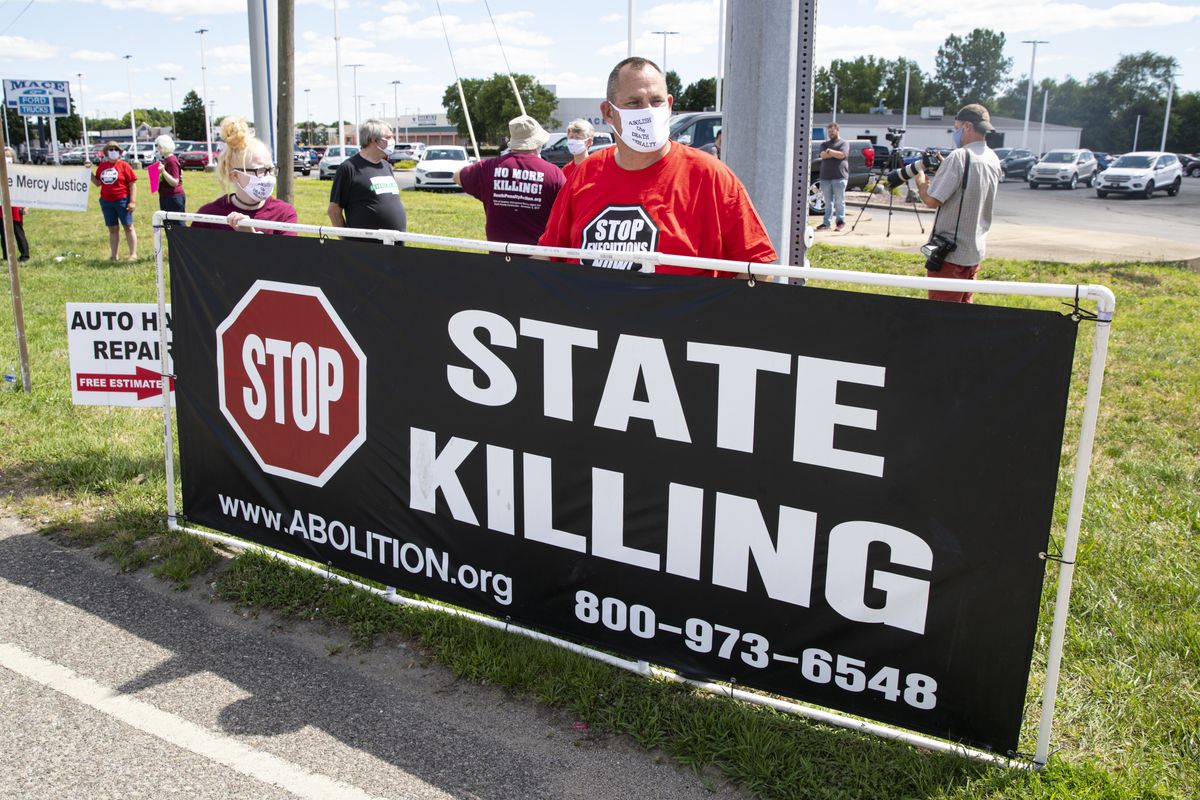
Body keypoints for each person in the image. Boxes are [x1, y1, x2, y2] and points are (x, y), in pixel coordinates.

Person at [538, 57, 776, 277]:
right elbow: (548, 256)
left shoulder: (710, 176)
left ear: (669, 104)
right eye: (634, 103)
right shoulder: (585, 175)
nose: (647, 111)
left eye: (656, 101)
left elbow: (758, 268)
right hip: (594, 319)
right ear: (609, 112)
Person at [914, 104, 1001, 303]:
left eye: (956, 128)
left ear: (968, 126)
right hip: (974, 252)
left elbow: (932, 200)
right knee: (963, 316)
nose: (956, 133)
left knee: (942, 318)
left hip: (949, 255)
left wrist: (920, 184)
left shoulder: (960, 157)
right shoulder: (992, 158)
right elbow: (969, 188)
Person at [455, 115, 565, 247]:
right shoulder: (553, 173)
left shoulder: (488, 168)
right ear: (537, 143)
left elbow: (457, 176)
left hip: (499, 257)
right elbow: (566, 211)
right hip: (538, 257)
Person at [194, 117, 297, 235]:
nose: (268, 177)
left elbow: (287, 253)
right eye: (260, 171)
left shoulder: (284, 213)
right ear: (234, 175)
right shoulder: (208, 216)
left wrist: (250, 237)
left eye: (271, 169)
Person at [327, 119, 407, 241]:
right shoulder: (349, 168)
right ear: (374, 140)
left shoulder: (386, 166)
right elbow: (334, 211)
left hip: (394, 245)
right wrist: (347, 242)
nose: (393, 141)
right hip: (365, 250)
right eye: (388, 137)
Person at [91, 142, 139, 260]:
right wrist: (89, 172)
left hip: (122, 200)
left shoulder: (124, 165)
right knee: (112, 229)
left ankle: (133, 254)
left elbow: (132, 184)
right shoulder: (102, 166)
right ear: (106, 152)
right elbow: (97, 183)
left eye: (115, 149)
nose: (113, 151)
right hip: (106, 201)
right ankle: (114, 255)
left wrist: (132, 201)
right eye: (110, 149)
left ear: (119, 152)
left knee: (128, 226)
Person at [815, 122, 848, 232]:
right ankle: (826, 223)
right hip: (825, 178)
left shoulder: (844, 143)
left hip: (839, 177)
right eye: (829, 132)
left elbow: (842, 155)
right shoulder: (824, 144)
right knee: (828, 202)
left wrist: (830, 152)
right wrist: (833, 153)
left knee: (839, 201)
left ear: (838, 130)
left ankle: (840, 223)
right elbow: (822, 155)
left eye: (832, 131)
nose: (830, 134)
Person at [1, 146, 30, 262]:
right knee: (4, 233)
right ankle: (6, 256)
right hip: (1, 207)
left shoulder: (18, 171)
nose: (6, 158)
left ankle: (24, 255)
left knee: (18, 232)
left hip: (15, 207)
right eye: (4, 156)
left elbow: (25, 189)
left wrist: (26, 206)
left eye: (8, 156)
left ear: (13, 158)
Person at [154, 134, 186, 213]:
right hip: (166, 195)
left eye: (157, 145)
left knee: (176, 224)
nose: (157, 148)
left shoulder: (171, 160)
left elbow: (175, 182)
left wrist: (163, 171)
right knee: (168, 223)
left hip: (173, 197)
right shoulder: (166, 159)